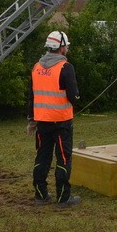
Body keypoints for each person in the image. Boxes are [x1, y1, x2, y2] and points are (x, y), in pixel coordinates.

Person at [28, 30, 81, 207]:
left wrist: (31, 119)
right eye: (66, 46)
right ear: (61, 47)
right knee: (63, 159)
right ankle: (63, 198)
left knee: (42, 157)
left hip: (42, 122)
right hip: (61, 122)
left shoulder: (37, 67)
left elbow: (32, 96)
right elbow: (73, 95)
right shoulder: (66, 67)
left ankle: (41, 195)